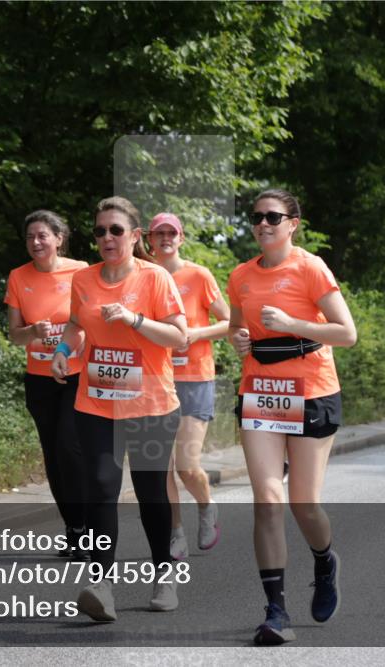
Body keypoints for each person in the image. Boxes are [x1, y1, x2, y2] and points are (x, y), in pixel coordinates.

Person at [227, 189, 357, 645]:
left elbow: (346, 332)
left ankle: (324, 560)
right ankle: (275, 610)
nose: (263, 223)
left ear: (292, 223)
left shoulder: (310, 266)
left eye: (273, 217)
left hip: (311, 389)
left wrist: (292, 323)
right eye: (257, 216)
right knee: (266, 498)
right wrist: (239, 339)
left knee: (304, 504)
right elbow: (234, 326)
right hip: (261, 389)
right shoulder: (240, 275)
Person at [51, 196, 187, 621]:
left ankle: (163, 573)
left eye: (115, 230)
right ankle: (100, 584)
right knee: (100, 488)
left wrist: (134, 320)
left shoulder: (156, 278)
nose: (106, 238)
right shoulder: (84, 279)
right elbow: (77, 323)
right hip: (97, 401)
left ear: (135, 236)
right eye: (99, 231)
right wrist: (63, 348)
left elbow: (179, 337)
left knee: (150, 494)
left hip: (150, 404)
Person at [5, 211, 90, 559]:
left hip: (76, 374)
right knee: (53, 456)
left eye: (42, 235)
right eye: (30, 237)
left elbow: (87, 321)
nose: (36, 243)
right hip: (39, 381)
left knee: (71, 449)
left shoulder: (81, 270)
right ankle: (72, 527)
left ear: (59, 238)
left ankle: (87, 529)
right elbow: (13, 336)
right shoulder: (18, 276)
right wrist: (33, 332)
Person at [147, 212, 230, 559]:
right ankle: (175, 531)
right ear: (149, 240)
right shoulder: (143, 276)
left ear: (181, 238)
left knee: (186, 464)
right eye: (159, 233)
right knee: (161, 466)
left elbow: (229, 321)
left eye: (172, 232)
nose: (165, 238)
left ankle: (206, 505)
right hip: (154, 379)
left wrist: (195, 333)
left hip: (195, 377)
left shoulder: (198, 275)